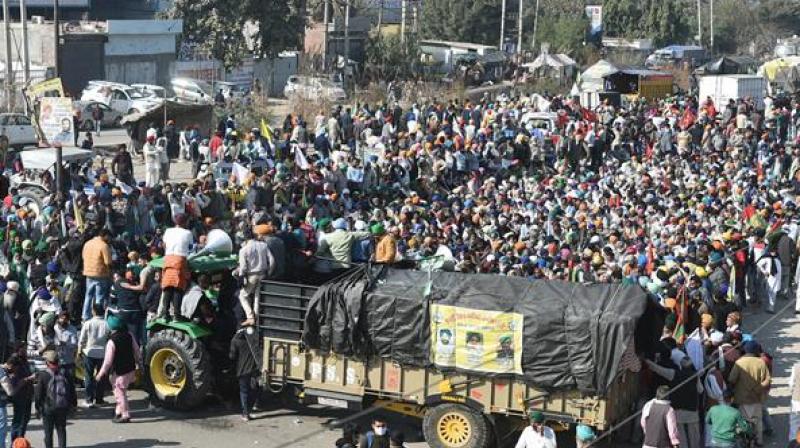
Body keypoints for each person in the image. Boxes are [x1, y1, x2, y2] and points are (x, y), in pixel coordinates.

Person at [95, 315, 140, 423]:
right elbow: (137, 350)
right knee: (119, 392)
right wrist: (139, 363)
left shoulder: (112, 341)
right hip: (130, 369)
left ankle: (125, 414)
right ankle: (118, 412)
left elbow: (108, 361)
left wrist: (100, 373)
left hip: (119, 371)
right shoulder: (129, 335)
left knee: (120, 393)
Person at [728, 340, 771, 446]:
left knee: (745, 422)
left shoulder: (739, 362)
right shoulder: (760, 362)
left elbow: (732, 379)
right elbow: (767, 380)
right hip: (756, 397)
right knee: (757, 421)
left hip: (742, 399)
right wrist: (759, 387)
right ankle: (759, 441)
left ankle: (747, 442)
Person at [34, 350, 75, 448]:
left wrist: (37, 407)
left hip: (48, 408)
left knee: (48, 433)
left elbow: (38, 394)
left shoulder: (43, 375)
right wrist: (73, 404)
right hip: (62, 407)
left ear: (47, 362)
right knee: (61, 430)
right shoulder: (65, 373)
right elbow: (72, 389)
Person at [237, 224, 276, 325]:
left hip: (252, 275)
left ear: (245, 237)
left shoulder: (243, 250)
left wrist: (241, 277)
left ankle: (250, 317)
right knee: (257, 297)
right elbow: (272, 261)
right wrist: (269, 272)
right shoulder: (263, 245)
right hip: (263, 274)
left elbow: (243, 267)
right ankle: (257, 318)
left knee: (243, 296)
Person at [159, 214, 193, 321]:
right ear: (185, 222)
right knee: (178, 287)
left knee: (168, 286)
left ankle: (165, 313)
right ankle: (177, 315)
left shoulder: (168, 231)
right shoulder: (188, 233)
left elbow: (164, 245)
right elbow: (191, 247)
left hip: (168, 259)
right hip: (179, 259)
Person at [229, 323, 262, 421]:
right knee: (254, 390)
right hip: (254, 369)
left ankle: (245, 414)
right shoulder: (253, 340)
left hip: (242, 370)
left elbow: (232, 356)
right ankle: (251, 410)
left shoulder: (235, 340)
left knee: (244, 392)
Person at [78, 303, 109, 408]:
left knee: (88, 376)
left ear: (94, 311)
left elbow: (82, 339)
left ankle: (89, 400)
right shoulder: (106, 324)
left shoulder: (88, 323)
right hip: (102, 353)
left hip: (89, 352)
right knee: (101, 377)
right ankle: (99, 399)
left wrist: (79, 351)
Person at [81, 229, 112, 321]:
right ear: (105, 235)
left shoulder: (87, 243)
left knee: (88, 295)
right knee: (99, 296)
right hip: (100, 274)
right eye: (109, 237)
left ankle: (85, 316)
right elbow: (108, 262)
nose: (109, 239)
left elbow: (83, 256)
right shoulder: (104, 246)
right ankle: (98, 316)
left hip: (88, 273)